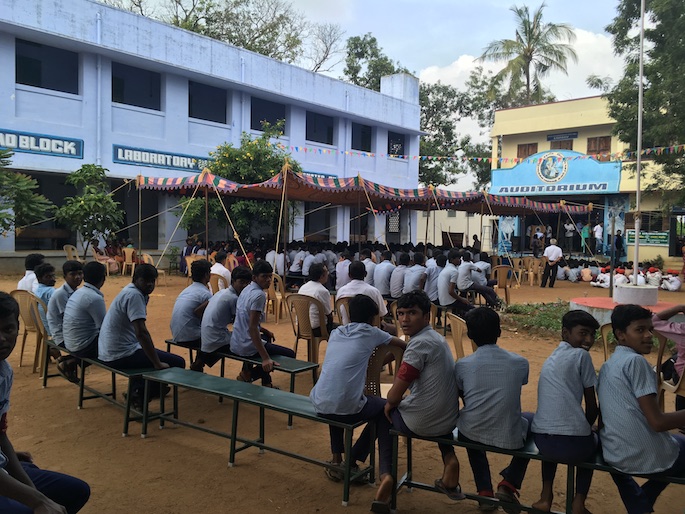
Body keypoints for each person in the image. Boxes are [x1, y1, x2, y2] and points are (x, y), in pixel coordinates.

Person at [310, 295, 406, 513]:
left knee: (335, 400)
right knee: (384, 409)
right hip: (346, 406)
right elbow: (401, 345)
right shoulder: (372, 332)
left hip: (320, 401)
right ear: (374, 318)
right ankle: (378, 471)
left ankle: (337, 460)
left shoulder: (336, 332)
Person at [0, 292, 91, 513]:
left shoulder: (5, 371)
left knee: (76, 491)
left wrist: (36, 495)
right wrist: (37, 501)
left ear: (18, 329)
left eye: (8, 329)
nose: (2, 338)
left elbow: (0, 433)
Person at [598, 304, 685, 514]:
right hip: (639, 453)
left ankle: (641, 504)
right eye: (640, 330)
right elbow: (658, 423)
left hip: (613, 450)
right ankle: (642, 503)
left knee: (679, 443)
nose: (648, 336)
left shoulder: (610, 363)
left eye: (650, 330)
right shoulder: (637, 362)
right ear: (621, 335)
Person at [384, 291, 463, 508]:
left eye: (412, 313)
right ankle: (449, 459)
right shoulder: (437, 338)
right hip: (447, 419)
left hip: (424, 420)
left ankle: (385, 476)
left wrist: (390, 403)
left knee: (382, 416)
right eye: (400, 313)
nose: (404, 319)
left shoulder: (418, 345)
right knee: (430, 402)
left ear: (426, 316)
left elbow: (394, 395)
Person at [456, 307, 532, 512]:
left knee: (472, 428)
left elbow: (463, 394)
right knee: (533, 421)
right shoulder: (520, 363)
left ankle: (485, 492)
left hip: (470, 432)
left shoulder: (462, 365)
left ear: (469, 334)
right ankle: (509, 482)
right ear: (499, 332)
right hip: (510, 436)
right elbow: (518, 385)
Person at [531, 310, 600, 514]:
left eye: (592, 335)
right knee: (593, 445)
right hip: (575, 446)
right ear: (565, 333)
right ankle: (578, 501)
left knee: (552, 441)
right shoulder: (582, 356)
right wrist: (588, 427)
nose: (589, 340)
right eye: (583, 333)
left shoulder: (553, 355)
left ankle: (545, 496)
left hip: (543, 440)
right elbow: (592, 406)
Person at [98, 264, 185, 409]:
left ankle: (142, 389)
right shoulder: (134, 295)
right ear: (136, 279)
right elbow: (141, 332)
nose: (150, 284)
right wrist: (157, 363)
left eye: (152, 280)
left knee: (151, 356)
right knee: (177, 363)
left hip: (113, 350)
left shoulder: (132, 291)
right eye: (145, 280)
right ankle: (139, 394)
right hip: (120, 354)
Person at [230, 260, 295, 387]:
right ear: (254, 277)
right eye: (264, 276)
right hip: (246, 345)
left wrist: (264, 330)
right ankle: (249, 375)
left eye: (270, 276)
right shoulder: (259, 295)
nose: (268, 280)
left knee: (266, 338)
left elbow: (249, 320)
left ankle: (267, 382)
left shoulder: (246, 289)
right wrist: (265, 358)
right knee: (290, 355)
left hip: (236, 340)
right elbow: (253, 327)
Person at [193, 266, 252, 372]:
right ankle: (246, 373)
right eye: (242, 282)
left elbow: (199, 310)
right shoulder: (234, 298)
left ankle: (199, 362)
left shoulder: (221, 292)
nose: (245, 286)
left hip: (207, 336)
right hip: (217, 340)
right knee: (248, 343)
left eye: (248, 283)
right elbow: (243, 324)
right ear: (233, 281)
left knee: (229, 336)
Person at [62, 261, 107, 361]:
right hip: (82, 347)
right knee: (119, 344)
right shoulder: (94, 298)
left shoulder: (79, 292)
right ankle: (73, 361)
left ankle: (71, 361)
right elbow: (104, 328)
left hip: (71, 343)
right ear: (103, 279)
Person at [650, 305, 685, 411]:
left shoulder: (682, 330)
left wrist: (679, 308)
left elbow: (652, 321)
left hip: (682, 379)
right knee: (675, 358)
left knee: (675, 361)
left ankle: (657, 371)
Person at [170, 259, 212, 346]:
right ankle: (200, 360)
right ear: (206, 275)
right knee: (217, 340)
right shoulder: (205, 294)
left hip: (176, 333)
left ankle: (200, 359)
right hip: (190, 335)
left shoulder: (187, 290)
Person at [297, 263, 333, 337]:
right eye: (327, 272)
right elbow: (329, 314)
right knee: (340, 330)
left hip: (301, 326)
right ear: (322, 276)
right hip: (317, 328)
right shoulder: (322, 291)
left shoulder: (303, 287)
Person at [437, 249, 473, 315]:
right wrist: (462, 299)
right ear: (452, 259)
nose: (460, 260)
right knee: (471, 308)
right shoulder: (454, 271)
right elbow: (451, 291)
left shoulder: (446, 269)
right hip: (449, 301)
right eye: (458, 258)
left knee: (462, 305)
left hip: (442, 299)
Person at [33, 263, 57, 337]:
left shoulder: (36, 291)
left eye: (53, 276)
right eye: (48, 277)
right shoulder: (50, 291)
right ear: (39, 279)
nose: (53, 279)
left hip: (43, 328)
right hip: (54, 330)